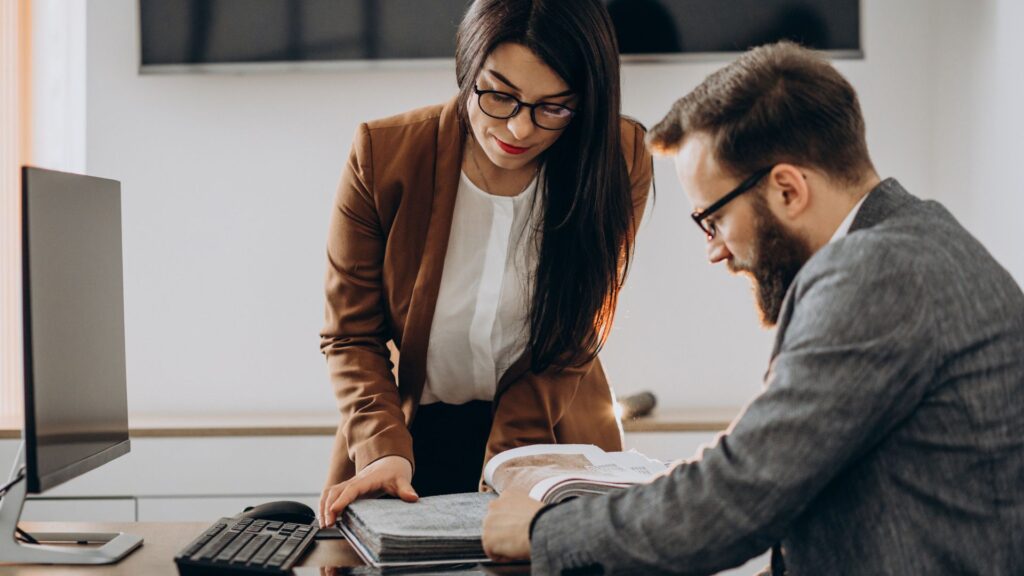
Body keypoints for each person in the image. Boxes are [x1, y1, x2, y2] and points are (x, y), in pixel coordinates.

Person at [482, 41, 1024, 575]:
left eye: (712, 220)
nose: (714, 248)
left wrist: (542, 531)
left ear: (787, 189)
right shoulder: (916, 239)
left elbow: (739, 494)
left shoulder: (878, 273)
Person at [318, 0, 653, 528]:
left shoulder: (619, 157)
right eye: (499, 96)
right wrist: (381, 447)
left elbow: (576, 331)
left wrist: (508, 465)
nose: (519, 129)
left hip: (549, 437)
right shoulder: (383, 155)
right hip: (401, 439)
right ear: (468, 68)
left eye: (554, 108)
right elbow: (351, 335)